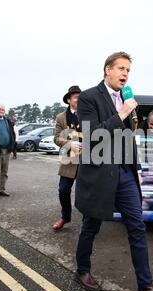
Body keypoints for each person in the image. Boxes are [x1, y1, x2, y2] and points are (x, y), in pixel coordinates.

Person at [74, 52, 153, 291]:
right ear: (108, 70)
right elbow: (93, 135)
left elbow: (128, 140)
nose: (126, 74)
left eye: (128, 70)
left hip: (125, 173)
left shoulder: (127, 98)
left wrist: (136, 170)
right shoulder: (88, 97)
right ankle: (82, 270)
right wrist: (123, 114)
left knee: (137, 227)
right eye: (121, 68)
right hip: (100, 174)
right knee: (91, 226)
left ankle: (145, 285)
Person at [52, 85, 82, 231]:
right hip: (69, 160)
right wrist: (70, 144)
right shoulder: (61, 117)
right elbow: (57, 138)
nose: (79, 99)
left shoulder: (89, 114)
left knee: (86, 193)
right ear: (69, 100)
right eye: (76, 97)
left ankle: (89, 220)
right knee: (63, 190)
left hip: (87, 160)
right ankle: (65, 217)